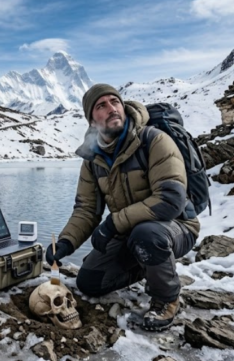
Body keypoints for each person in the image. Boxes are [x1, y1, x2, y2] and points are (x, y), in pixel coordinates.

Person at [46, 83, 200, 331]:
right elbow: (86, 209)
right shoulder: (93, 160)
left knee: (148, 235)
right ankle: (147, 265)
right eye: (101, 105)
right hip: (132, 231)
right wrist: (66, 242)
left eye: (115, 101)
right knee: (89, 282)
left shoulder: (154, 140)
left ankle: (167, 299)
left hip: (176, 226)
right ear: (91, 120)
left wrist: (113, 223)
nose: (112, 108)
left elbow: (170, 200)